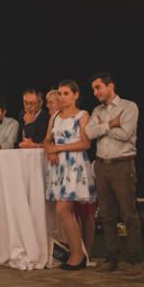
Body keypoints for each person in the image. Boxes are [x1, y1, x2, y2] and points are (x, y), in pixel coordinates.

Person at [85, 72, 142, 272]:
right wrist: (110, 124)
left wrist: (101, 127)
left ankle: (134, 259)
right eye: (93, 89)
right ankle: (112, 258)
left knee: (128, 214)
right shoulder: (96, 110)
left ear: (110, 86)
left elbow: (126, 134)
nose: (95, 92)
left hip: (122, 164)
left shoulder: (129, 107)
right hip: (102, 164)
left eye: (98, 87)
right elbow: (89, 133)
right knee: (107, 215)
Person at [44, 79, 96, 270]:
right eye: (60, 93)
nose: (62, 97)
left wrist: (59, 148)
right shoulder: (55, 116)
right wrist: (50, 150)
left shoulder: (82, 115)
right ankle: (76, 252)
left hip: (75, 164)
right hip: (59, 167)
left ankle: (79, 255)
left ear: (76, 95)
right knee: (65, 211)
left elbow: (85, 143)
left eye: (66, 93)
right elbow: (47, 139)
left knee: (63, 209)